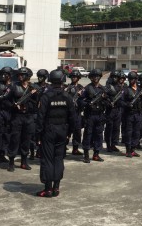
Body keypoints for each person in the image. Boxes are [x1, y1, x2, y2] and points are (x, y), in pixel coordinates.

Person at [35, 69, 76, 198]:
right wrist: (69, 133)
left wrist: (38, 135)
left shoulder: (46, 97)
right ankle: (56, 188)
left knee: (48, 159)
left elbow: (40, 117)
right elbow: (73, 117)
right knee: (58, 159)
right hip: (62, 131)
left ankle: (47, 189)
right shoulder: (67, 97)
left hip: (49, 131)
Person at [5, 67, 38, 172]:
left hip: (28, 117)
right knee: (14, 139)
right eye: (19, 75)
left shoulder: (33, 88)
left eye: (22, 75)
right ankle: (11, 162)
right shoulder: (14, 87)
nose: (20, 76)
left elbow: (37, 102)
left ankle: (24, 161)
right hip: (17, 117)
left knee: (26, 140)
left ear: (28, 76)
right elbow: (5, 101)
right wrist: (14, 105)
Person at [80, 69, 107, 163]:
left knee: (99, 135)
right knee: (88, 134)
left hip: (100, 115)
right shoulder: (87, 88)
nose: (96, 78)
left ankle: (96, 154)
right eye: (94, 76)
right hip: (90, 115)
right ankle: (86, 155)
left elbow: (108, 102)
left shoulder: (102, 89)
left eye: (97, 76)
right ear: (91, 78)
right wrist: (88, 104)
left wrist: (104, 99)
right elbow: (80, 101)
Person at [121, 72, 142, 158]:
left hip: (138, 113)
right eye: (129, 79)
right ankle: (128, 150)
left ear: (136, 79)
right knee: (128, 132)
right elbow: (120, 101)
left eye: (133, 79)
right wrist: (127, 104)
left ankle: (133, 149)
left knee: (136, 132)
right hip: (129, 114)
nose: (131, 80)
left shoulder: (139, 90)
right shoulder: (125, 90)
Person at [64, 69, 84, 156]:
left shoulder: (81, 87)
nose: (73, 78)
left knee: (77, 131)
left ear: (78, 78)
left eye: (75, 77)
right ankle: (63, 147)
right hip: (68, 112)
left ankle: (75, 148)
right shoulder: (67, 87)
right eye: (72, 77)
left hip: (77, 112)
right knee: (67, 131)